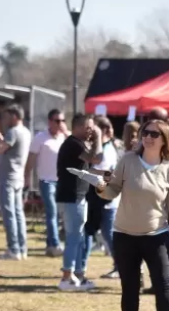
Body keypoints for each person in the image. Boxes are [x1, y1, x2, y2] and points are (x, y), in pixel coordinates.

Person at [97, 119, 169, 311]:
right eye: (145, 133)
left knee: (164, 285)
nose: (148, 137)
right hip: (124, 235)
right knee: (129, 287)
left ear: (165, 140)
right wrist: (100, 187)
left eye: (154, 134)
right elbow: (112, 191)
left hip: (157, 235)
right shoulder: (128, 160)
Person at [55, 113, 101, 291]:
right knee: (74, 237)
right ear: (78, 127)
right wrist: (98, 137)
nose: (91, 131)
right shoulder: (73, 144)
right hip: (71, 197)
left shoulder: (77, 144)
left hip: (78, 196)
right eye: (89, 128)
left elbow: (92, 163)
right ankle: (66, 278)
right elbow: (95, 158)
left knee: (79, 237)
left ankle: (79, 275)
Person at [0, 104, 32, 261]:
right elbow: (6, 144)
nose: (4, 120)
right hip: (18, 177)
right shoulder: (25, 131)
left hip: (8, 178)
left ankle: (13, 249)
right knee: (18, 213)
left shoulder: (13, 132)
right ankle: (22, 248)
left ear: (14, 116)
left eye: (6, 116)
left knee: (8, 214)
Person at [25, 109, 68, 257]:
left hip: (61, 181)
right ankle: (55, 244)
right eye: (57, 121)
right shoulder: (40, 138)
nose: (60, 124)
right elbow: (31, 158)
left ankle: (50, 245)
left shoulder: (65, 137)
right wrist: (27, 176)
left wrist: (66, 133)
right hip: (46, 180)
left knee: (58, 214)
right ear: (50, 122)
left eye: (63, 121)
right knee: (52, 211)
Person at [85, 117, 120, 280]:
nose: (90, 132)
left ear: (102, 130)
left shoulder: (107, 149)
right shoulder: (103, 147)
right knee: (106, 233)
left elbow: (102, 171)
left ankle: (121, 266)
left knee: (108, 233)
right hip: (101, 198)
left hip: (106, 199)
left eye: (93, 129)